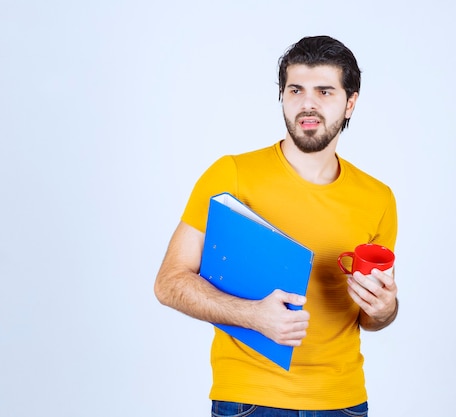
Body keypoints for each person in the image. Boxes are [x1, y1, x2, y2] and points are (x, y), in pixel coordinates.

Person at [154, 35, 399, 417]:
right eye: (296, 89)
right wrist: (253, 315)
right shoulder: (232, 175)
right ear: (282, 96)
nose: (308, 104)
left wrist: (385, 308)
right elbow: (169, 282)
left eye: (324, 91)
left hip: (344, 402)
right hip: (250, 400)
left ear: (350, 103)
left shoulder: (378, 198)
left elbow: (371, 318)